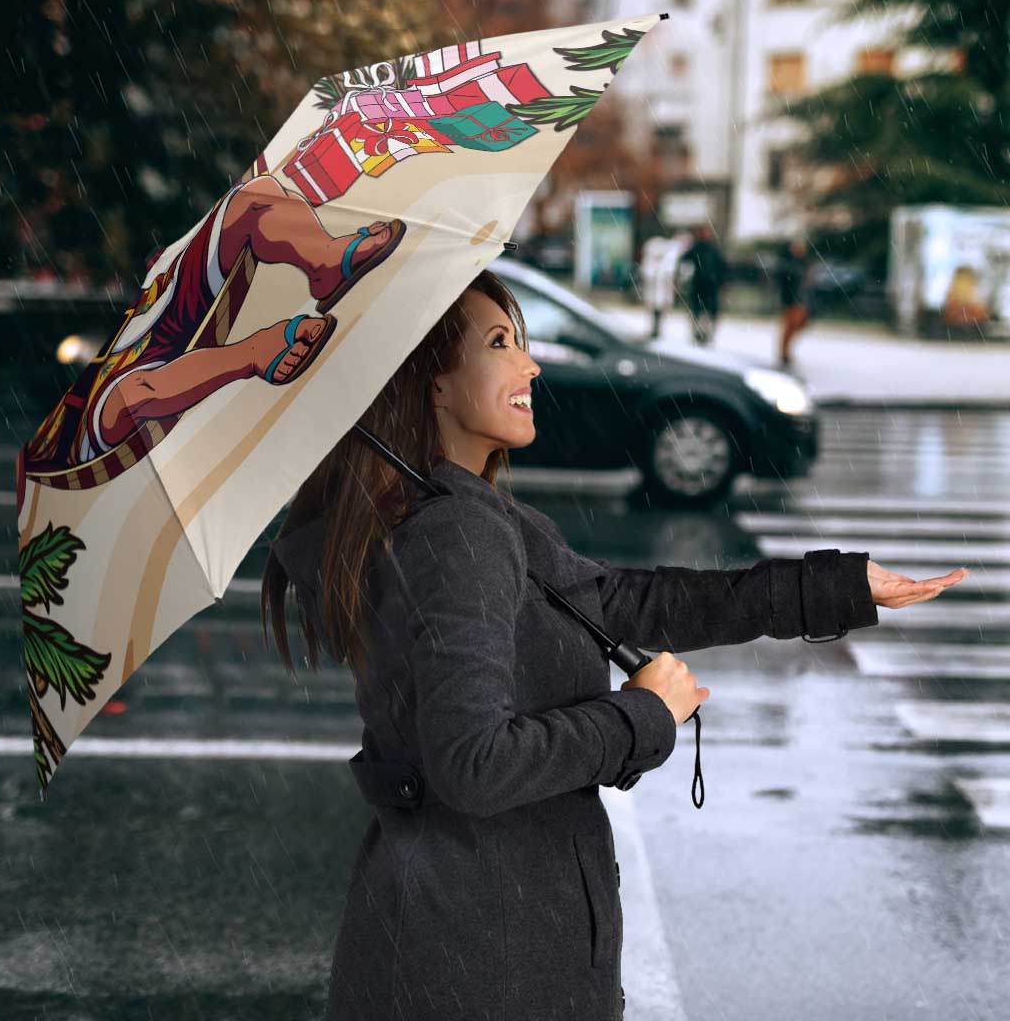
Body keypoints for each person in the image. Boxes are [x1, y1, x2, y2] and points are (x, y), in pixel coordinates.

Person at [262, 269, 967, 1021]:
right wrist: (641, 716)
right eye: (500, 344)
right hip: (485, 959)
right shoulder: (457, 533)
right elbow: (474, 764)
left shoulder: (458, 516)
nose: (531, 365)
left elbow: (627, 603)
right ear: (432, 382)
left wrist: (835, 587)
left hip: (462, 938)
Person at [678, 223, 728, 346]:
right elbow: (684, 260)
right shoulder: (700, 248)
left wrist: (721, 281)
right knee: (700, 311)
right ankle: (699, 334)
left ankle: (705, 334)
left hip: (708, 286)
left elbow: (722, 267)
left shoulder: (710, 249)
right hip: (702, 285)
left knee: (705, 312)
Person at [776, 236, 812, 368]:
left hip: (800, 300)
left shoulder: (802, 263)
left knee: (798, 324)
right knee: (790, 326)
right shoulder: (788, 264)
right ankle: (784, 352)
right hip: (791, 300)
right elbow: (785, 283)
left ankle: (785, 351)